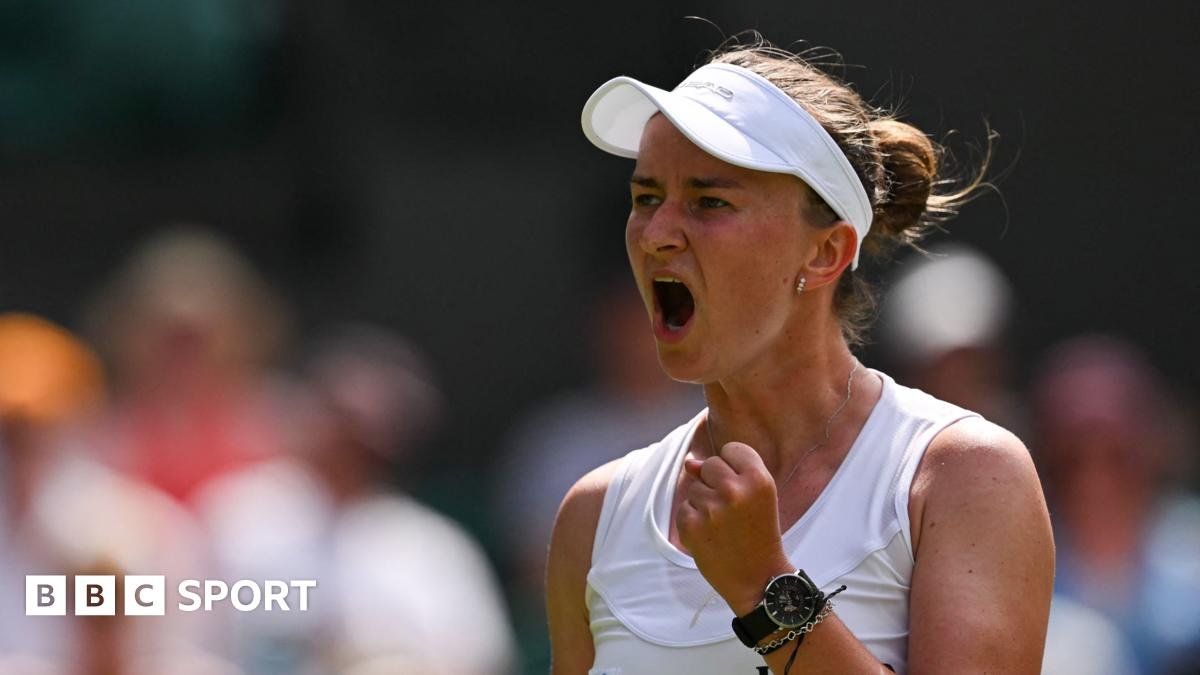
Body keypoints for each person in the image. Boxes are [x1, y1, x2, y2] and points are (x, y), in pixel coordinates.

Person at [547, 38, 1054, 675]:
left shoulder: (964, 475)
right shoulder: (593, 517)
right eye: (647, 197)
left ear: (825, 253)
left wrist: (763, 587)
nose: (656, 234)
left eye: (709, 201)